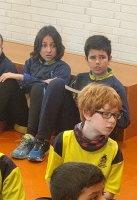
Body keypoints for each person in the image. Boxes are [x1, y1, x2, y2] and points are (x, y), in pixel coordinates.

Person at [27, 84, 125, 200]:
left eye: (115, 115)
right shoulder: (63, 140)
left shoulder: (114, 149)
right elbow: (52, 181)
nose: (112, 120)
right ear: (87, 113)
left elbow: (109, 192)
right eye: (106, 114)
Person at [28, 34, 131, 162]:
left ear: (109, 59)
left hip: (95, 129)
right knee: (57, 83)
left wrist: (105, 111)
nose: (97, 62)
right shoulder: (80, 78)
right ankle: (42, 141)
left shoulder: (115, 86)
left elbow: (125, 120)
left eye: (102, 57)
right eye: (92, 57)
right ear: (86, 59)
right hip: (74, 122)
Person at [0, 25, 70, 161]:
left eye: (53, 45)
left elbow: (56, 89)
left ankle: (35, 139)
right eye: (44, 45)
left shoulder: (63, 68)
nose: (48, 50)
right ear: (38, 46)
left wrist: (24, 77)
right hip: (27, 113)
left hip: (47, 118)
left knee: (37, 87)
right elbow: (23, 87)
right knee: (8, 80)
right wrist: (36, 81)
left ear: (58, 47)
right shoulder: (30, 63)